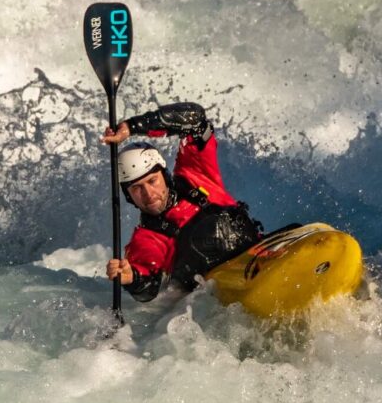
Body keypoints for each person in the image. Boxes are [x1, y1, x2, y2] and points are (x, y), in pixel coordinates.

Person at [102, 101, 262, 302]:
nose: (148, 193)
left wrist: (133, 126)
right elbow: (149, 284)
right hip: (223, 296)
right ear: (128, 196)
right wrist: (131, 278)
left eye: (152, 181)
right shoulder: (146, 239)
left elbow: (195, 120)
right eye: (137, 188)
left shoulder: (195, 173)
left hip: (260, 256)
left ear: (165, 176)